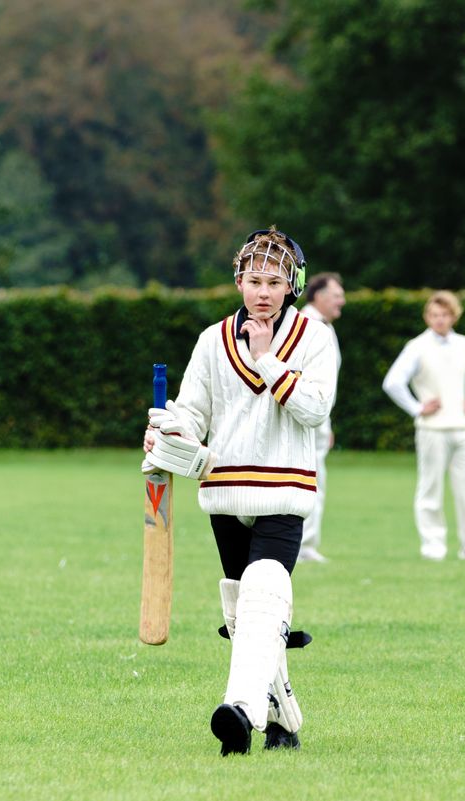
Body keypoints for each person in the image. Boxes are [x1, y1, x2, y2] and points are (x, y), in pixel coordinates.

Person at [142, 227, 338, 755]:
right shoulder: (213, 340)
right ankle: (283, 722)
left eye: (274, 282)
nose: (263, 292)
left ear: (292, 285)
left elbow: (315, 409)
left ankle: (241, 709)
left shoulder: (315, 338)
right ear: (238, 283)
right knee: (249, 617)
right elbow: (192, 411)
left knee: (263, 594)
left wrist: (268, 359)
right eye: (254, 281)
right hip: (225, 491)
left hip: (283, 491)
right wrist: (167, 431)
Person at [382, 291, 465, 561]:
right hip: (431, 430)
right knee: (430, 489)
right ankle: (433, 548)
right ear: (427, 317)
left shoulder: (463, 344)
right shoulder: (417, 346)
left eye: (444, 315)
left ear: (453, 316)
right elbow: (393, 382)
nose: (439, 320)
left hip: (462, 429)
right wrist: (417, 408)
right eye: (434, 315)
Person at [297, 272, 345, 563]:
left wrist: (326, 421)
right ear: (319, 296)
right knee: (306, 481)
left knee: (316, 480)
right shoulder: (306, 325)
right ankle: (300, 544)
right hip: (304, 415)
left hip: (319, 418)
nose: (342, 301)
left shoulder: (325, 326)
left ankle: (307, 543)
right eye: (337, 295)